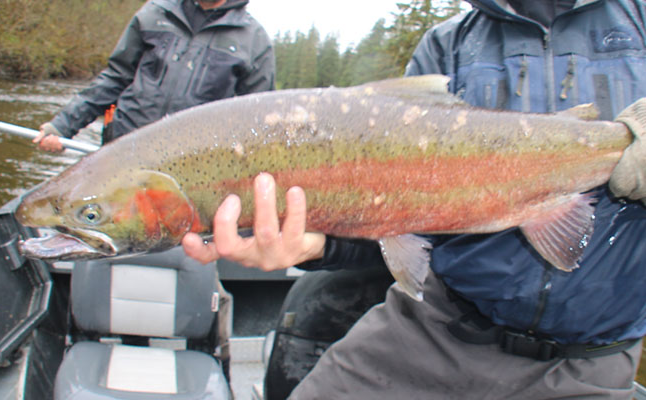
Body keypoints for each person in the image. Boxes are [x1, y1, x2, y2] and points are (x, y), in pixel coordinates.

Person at [183, 0, 646, 398]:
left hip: (589, 363)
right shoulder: (449, 45)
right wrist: (319, 244)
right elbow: (394, 205)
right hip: (436, 328)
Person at [34, 0, 274, 152]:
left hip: (190, 161)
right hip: (123, 147)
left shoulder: (255, 40)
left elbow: (255, 119)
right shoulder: (154, 12)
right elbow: (115, 78)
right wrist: (63, 125)